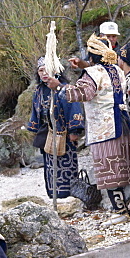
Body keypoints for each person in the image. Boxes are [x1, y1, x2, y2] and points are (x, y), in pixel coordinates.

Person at [50, 34, 130, 222]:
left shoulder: (92, 74)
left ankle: (120, 211)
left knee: (110, 171)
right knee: (124, 167)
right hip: (123, 123)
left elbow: (84, 93)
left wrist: (60, 87)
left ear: (91, 57)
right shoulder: (116, 70)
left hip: (104, 128)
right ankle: (129, 207)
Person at [28, 58, 85, 200]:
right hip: (48, 136)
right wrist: (34, 129)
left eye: (47, 70)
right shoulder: (38, 91)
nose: (44, 73)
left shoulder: (65, 88)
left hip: (65, 135)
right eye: (41, 70)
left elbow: (73, 107)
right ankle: (53, 195)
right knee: (50, 168)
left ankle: (68, 196)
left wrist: (74, 131)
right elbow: (36, 113)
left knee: (66, 166)